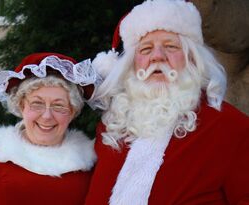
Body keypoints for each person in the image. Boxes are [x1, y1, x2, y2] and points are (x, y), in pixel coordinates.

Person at [84, 0, 249, 204]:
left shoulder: (233, 128)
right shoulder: (112, 130)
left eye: (171, 47)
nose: (157, 57)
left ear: (192, 58)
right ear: (132, 64)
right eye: (145, 49)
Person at [0, 53, 99, 205]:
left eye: (58, 106)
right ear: (21, 106)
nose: (47, 116)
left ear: (72, 112)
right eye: (37, 104)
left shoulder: (89, 165)